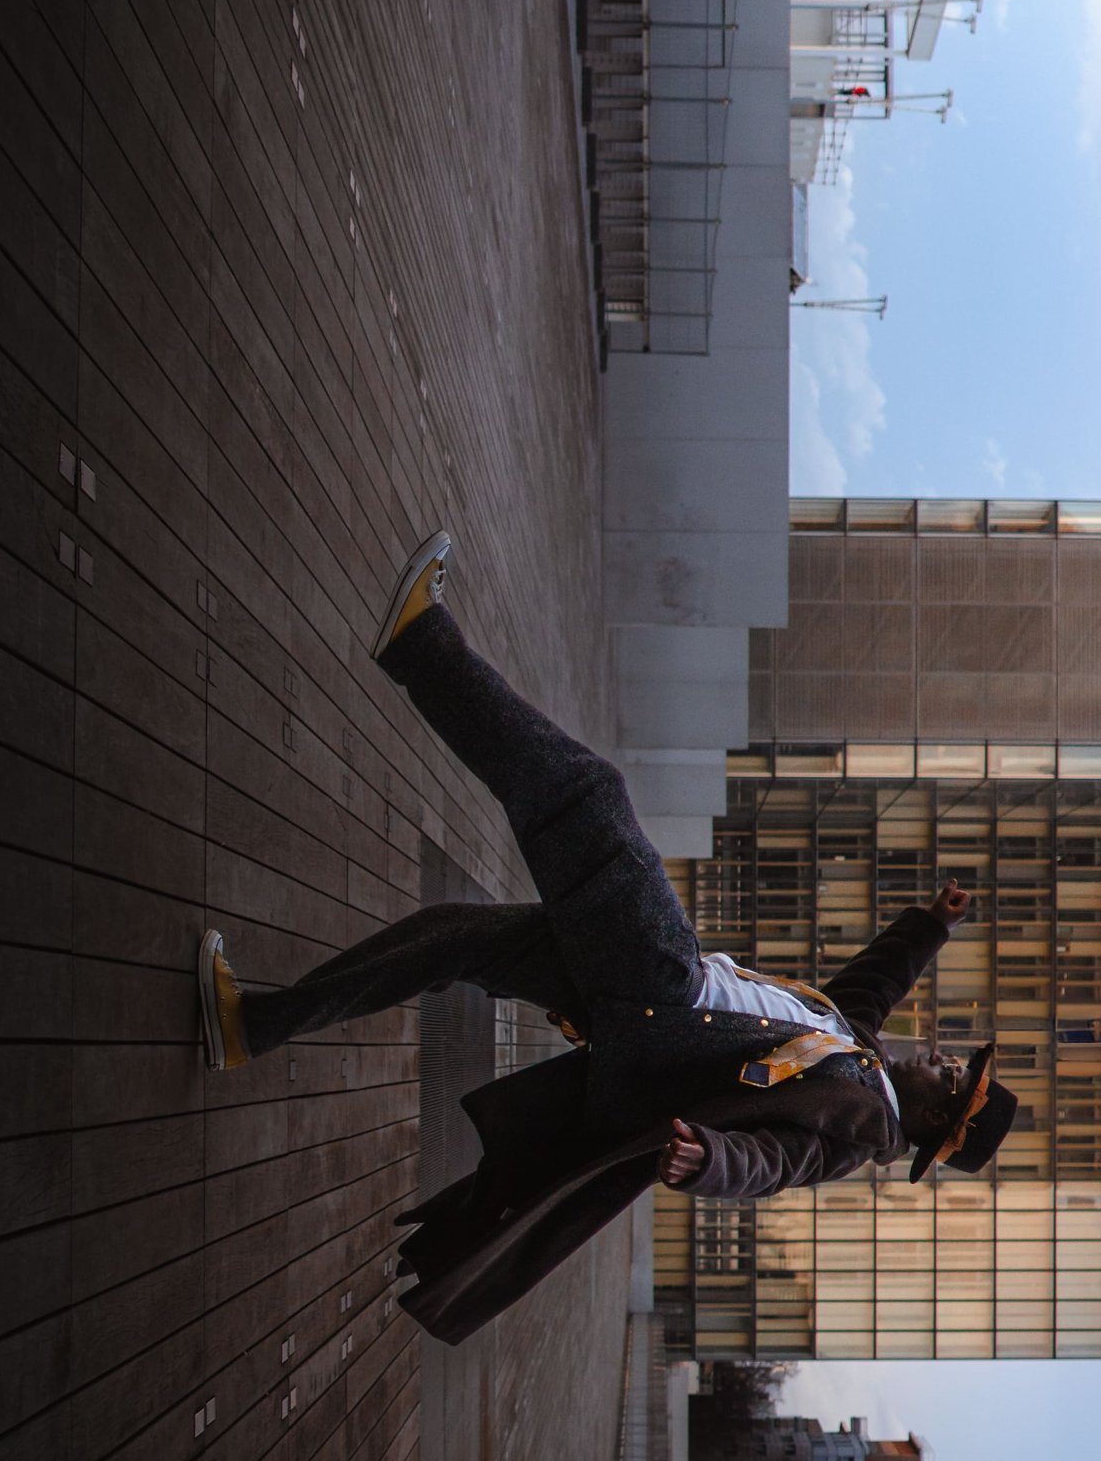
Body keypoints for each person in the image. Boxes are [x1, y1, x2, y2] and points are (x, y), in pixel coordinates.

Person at [195, 534, 1018, 1344]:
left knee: (586, 795)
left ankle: (420, 645)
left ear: (943, 1110)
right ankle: (252, 1025)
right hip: (654, 997)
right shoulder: (860, 1049)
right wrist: (932, 925)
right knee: (457, 941)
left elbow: (775, 1163)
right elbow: (872, 985)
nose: (941, 1056)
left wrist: (712, 1163)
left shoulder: (858, 1128)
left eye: (952, 1071)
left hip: (666, 992)